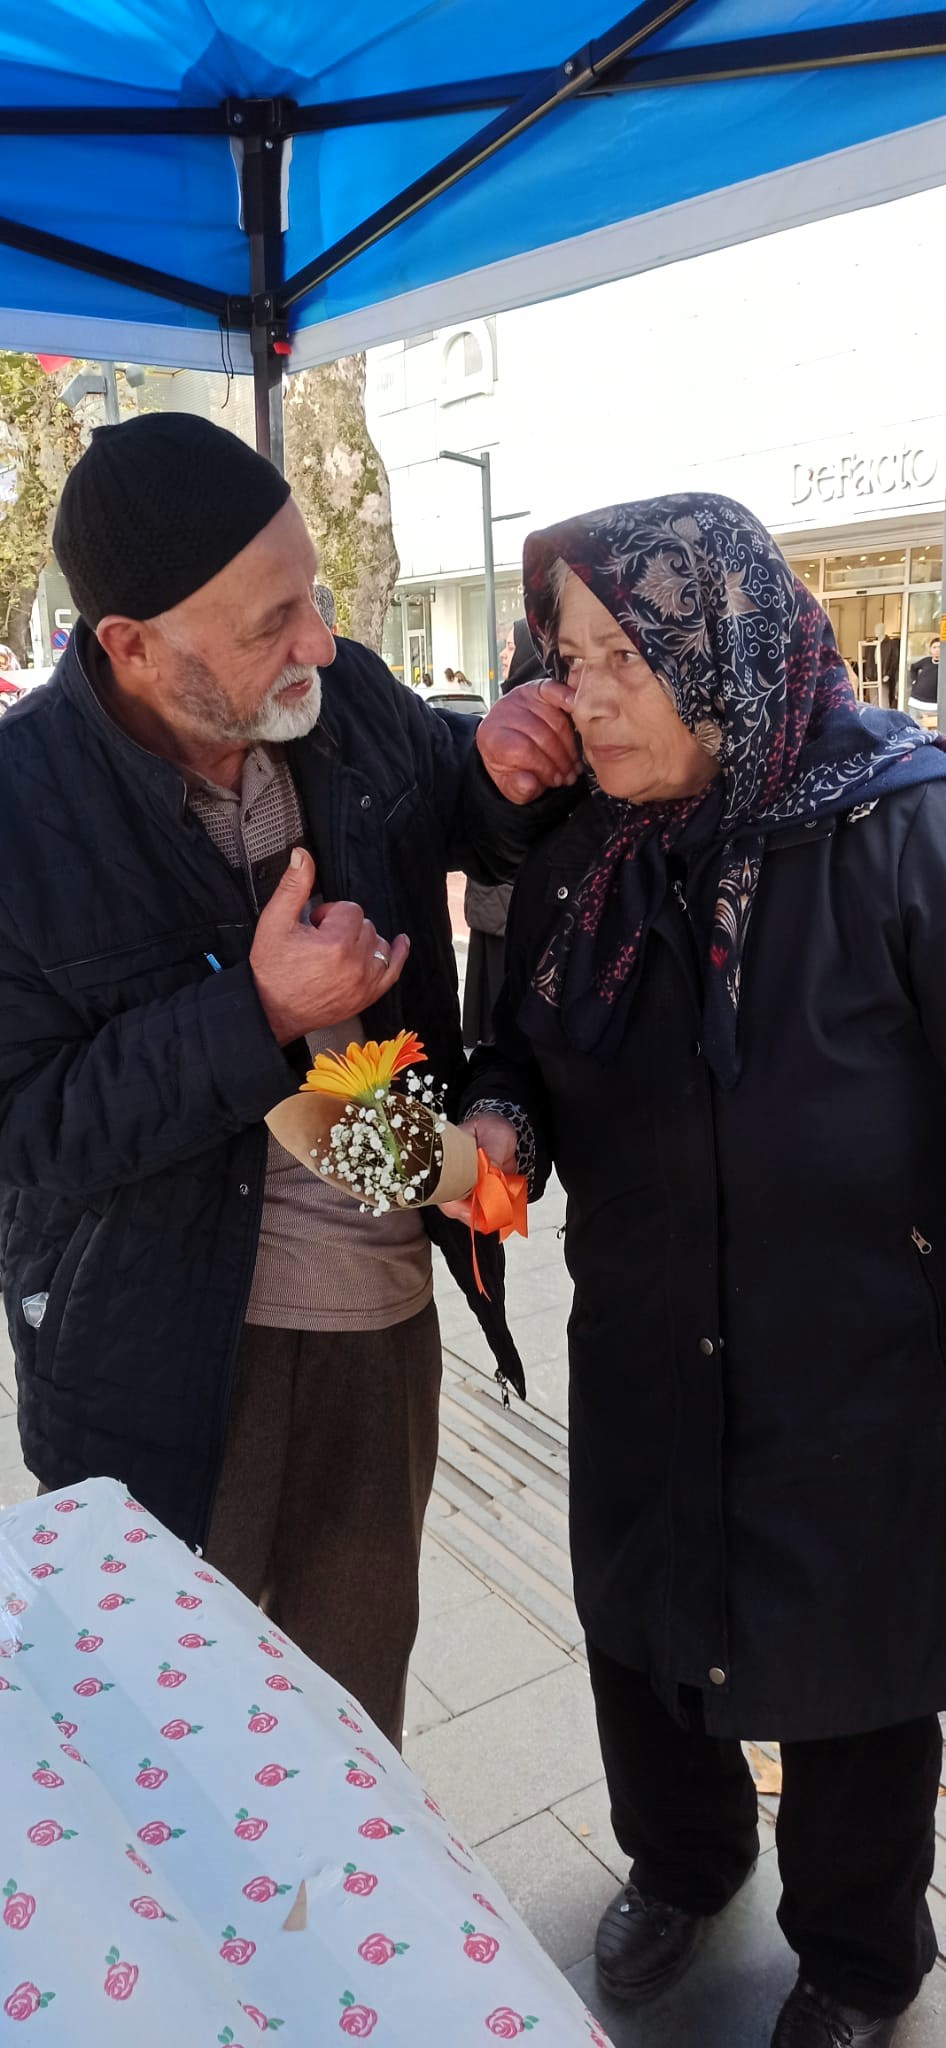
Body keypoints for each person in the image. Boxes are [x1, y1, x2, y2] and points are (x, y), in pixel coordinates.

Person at [0, 412, 579, 1748]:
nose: (315, 641)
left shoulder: (352, 699)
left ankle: (353, 1951)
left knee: (348, 1715)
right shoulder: (25, 812)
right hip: (159, 1358)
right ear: (129, 648)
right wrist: (255, 1010)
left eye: (311, 595)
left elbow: (454, 803)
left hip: (377, 1318)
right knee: (169, 1745)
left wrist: (494, 775)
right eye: (269, 624)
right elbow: (28, 1128)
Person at [458, 494, 946, 2046]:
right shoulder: (570, 861)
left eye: (619, 656)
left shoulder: (897, 829)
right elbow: (511, 1056)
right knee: (640, 1620)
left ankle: (862, 1959)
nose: (576, 693)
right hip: (649, 1331)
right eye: (565, 654)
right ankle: (682, 1858)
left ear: (718, 648)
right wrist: (494, 1127)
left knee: (853, 1668)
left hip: (856, 1365)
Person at [463, 619, 545, 1046]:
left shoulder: (533, 714)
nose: (502, 653)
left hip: (508, 902)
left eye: (511, 645)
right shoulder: (516, 706)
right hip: (497, 904)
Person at [909, 636, 939, 711]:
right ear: (930, 650)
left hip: (934, 705)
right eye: (934, 647)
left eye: (939, 647)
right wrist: (914, 680)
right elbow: (913, 667)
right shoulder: (926, 661)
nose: (937, 650)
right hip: (915, 701)